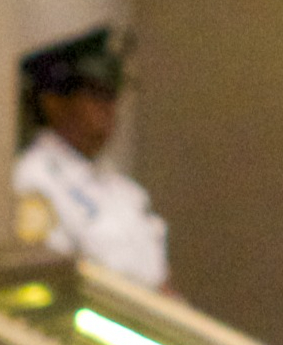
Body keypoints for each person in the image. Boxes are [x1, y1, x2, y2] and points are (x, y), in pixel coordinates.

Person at [12, 26, 170, 290]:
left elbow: (159, 280)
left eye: (112, 97)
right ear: (53, 101)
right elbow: (53, 282)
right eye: (96, 96)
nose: (109, 110)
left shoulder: (120, 188)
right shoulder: (34, 178)